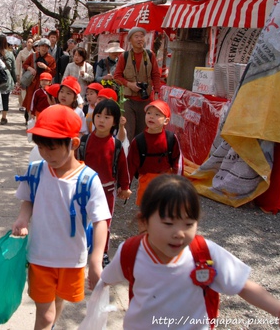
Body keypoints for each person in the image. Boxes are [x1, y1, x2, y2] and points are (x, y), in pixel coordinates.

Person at [101, 174, 280, 330]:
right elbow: (107, 277)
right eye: (168, 223)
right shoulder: (131, 251)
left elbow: (243, 285)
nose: (179, 233)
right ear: (144, 222)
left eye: (189, 224)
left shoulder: (205, 252)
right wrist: (97, 277)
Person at [12, 104, 111, 330]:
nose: (46, 154)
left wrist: (96, 259)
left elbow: (100, 220)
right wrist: (22, 218)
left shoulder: (88, 179)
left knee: (58, 302)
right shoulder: (36, 170)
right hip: (40, 257)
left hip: (72, 259)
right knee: (45, 316)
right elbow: (28, 199)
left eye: (52, 149)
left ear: (73, 144)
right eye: (41, 148)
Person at [79, 99, 131, 266]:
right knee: (81, 220)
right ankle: (79, 247)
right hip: (84, 189)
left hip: (106, 191)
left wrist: (125, 187)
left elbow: (123, 168)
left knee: (104, 223)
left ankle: (102, 251)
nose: (101, 120)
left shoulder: (116, 145)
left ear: (115, 121)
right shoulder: (84, 141)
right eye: (98, 116)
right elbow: (76, 164)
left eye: (107, 117)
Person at [126, 99, 181, 205]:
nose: (151, 116)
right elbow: (130, 165)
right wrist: (125, 186)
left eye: (157, 114)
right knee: (146, 209)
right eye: (149, 113)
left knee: (164, 209)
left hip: (166, 179)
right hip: (146, 180)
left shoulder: (171, 138)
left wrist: (178, 183)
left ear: (166, 121)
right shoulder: (138, 141)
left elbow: (178, 160)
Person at [114, 27, 162, 141]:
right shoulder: (124, 56)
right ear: (130, 40)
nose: (140, 39)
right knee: (128, 132)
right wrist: (130, 84)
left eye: (141, 36)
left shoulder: (150, 55)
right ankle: (127, 156)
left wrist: (156, 92)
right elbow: (117, 76)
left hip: (145, 100)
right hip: (128, 100)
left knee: (142, 132)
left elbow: (156, 74)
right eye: (136, 36)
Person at [22, 38, 56, 121]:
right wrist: (30, 68)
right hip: (32, 82)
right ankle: (29, 119)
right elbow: (25, 64)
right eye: (42, 46)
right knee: (30, 101)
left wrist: (46, 67)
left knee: (42, 101)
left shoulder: (51, 59)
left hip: (44, 84)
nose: (44, 48)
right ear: (39, 47)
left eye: (46, 47)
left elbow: (53, 72)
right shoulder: (33, 55)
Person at [0, 34, 16, 125]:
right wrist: (15, 80)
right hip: (6, 78)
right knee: (5, 98)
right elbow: (13, 69)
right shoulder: (10, 54)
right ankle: (4, 117)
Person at [15, 38, 34, 111]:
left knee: (28, 89)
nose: (30, 43)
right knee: (22, 88)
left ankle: (27, 104)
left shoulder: (33, 53)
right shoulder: (21, 52)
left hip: (29, 72)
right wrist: (17, 74)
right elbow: (18, 63)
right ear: (26, 43)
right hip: (22, 71)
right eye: (28, 42)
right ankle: (21, 104)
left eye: (31, 42)